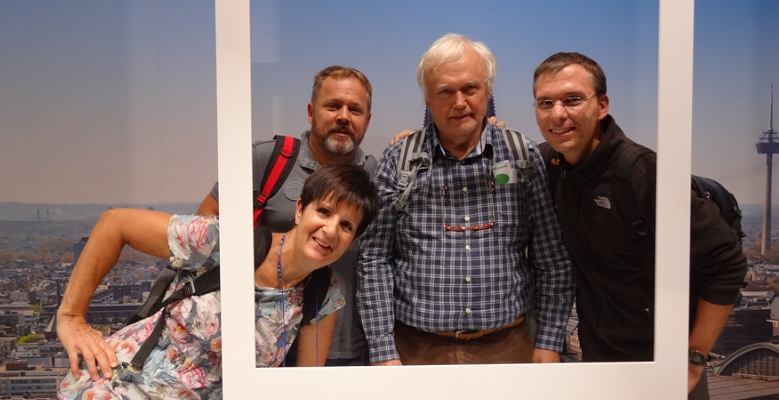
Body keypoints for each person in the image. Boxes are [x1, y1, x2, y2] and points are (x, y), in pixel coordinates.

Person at [56, 163, 379, 399]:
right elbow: (115, 223)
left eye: (347, 226)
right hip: (119, 388)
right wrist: (71, 317)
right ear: (299, 210)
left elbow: (303, 386)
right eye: (324, 211)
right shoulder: (226, 242)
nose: (331, 230)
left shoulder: (323, 294)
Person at [533, 52, 747, 398]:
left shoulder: (641, 174)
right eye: (546, 102)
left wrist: (694, 359)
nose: (558, 114)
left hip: (662, 368)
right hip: (599, 359)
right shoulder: (551, 165)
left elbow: (727, 262)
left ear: (602, 106)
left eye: (573, 99)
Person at [358, 33, 573, 366]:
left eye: (470, 88)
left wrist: (549, 340)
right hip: (414, 352)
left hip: (508, 350)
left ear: (488, 92)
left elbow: (551, 258)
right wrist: (382, 350)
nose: (459, 102)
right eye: (445, 91)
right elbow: (374, 259)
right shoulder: (399, 160)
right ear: (427, 100)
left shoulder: (522, 156)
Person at [197, 65, 377, 366]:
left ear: (367, 121)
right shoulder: (267, 159)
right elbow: (207, 223)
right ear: (311, 112)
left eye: (355, 109)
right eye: (333, 106)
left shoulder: (376, 175)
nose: (343, 116)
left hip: (346, 348)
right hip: (257, 345)